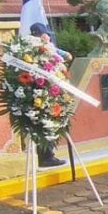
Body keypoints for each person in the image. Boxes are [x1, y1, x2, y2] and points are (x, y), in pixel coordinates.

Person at [29, 23, 70, 168]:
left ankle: (48, 155)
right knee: (43, 126)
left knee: (50, 124)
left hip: (49, 92)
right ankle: (46, 157)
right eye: (45, 35)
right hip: (39, 94)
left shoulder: (49, 49)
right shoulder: (32, 50)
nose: (47, 37)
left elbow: (66, 56)